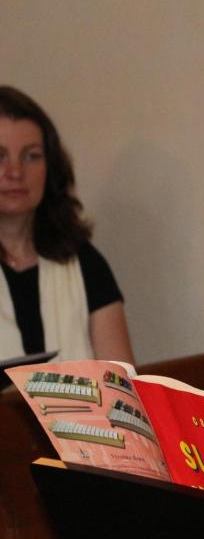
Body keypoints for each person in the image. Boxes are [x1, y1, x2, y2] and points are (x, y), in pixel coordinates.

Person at [0, 86, 134, 363]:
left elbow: (120, 383)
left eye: (31, 156)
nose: (15, 172)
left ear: (50, 168)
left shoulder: (85, 263)